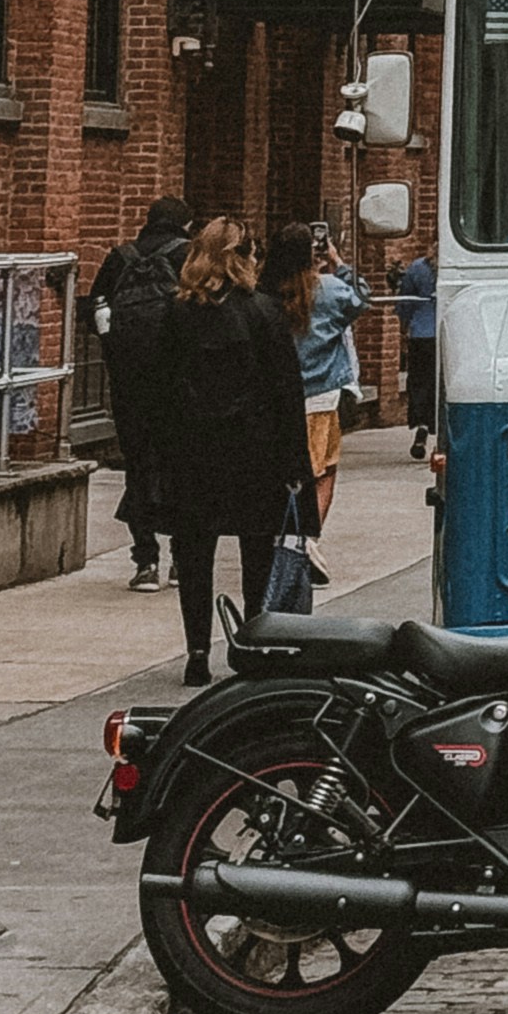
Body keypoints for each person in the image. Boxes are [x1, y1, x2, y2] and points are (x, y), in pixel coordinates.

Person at [155, 216, 313, 685]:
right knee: (257, 554)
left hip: (193, 454)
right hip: (255, 453)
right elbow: (288, 391)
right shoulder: (264, 311)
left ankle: (197, 652)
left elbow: (158, 388)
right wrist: (295, 462)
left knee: (195, 555)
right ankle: (251, 642)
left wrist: (158, 456)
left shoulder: (176, 312)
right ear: (240, 257)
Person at [89, 195, 189, 591]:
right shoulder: (188, 256)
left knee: (139, 466)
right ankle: (183, 559)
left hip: (130, 386)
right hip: (180, 386)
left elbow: (94, 313)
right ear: (185, 224)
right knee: (183, 470)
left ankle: (145, 560)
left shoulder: (120, 257)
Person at [267, 221, 365, 531]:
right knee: (323, 471)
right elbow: (360, 299)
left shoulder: (265, 292)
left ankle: (285, 533)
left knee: (284, 473)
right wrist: (338, 263)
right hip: (321, 394)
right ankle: (308, 537)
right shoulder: (330, 289)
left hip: (278, 397)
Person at [395, 246, 440, 459]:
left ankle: (422, 425)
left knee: (420, 382)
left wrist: (405, 325)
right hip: (448, 334)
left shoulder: (417, 268)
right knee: (441, 385)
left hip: (421, 334)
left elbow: (405, 301)